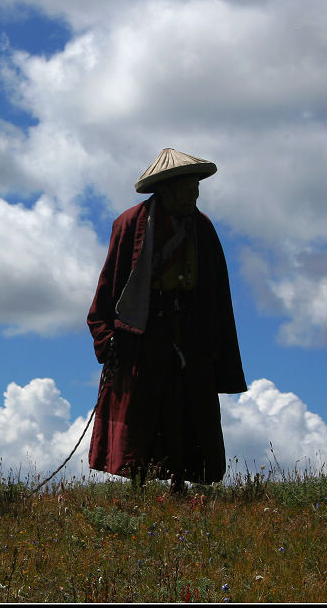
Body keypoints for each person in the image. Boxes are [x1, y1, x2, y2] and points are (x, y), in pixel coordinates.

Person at [86, 148, 247, 494]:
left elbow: (216, 290)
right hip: (145, 331)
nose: (194, 195)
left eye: (196, 189)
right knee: (145, 406)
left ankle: (180, 482)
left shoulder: (202, 228)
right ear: (168, 189)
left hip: (190, 331)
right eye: (187, 189)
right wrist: (106, 333)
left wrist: (214, 341)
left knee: (188, 406)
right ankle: (140, 483)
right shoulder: (131, 223)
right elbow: (110, 283)